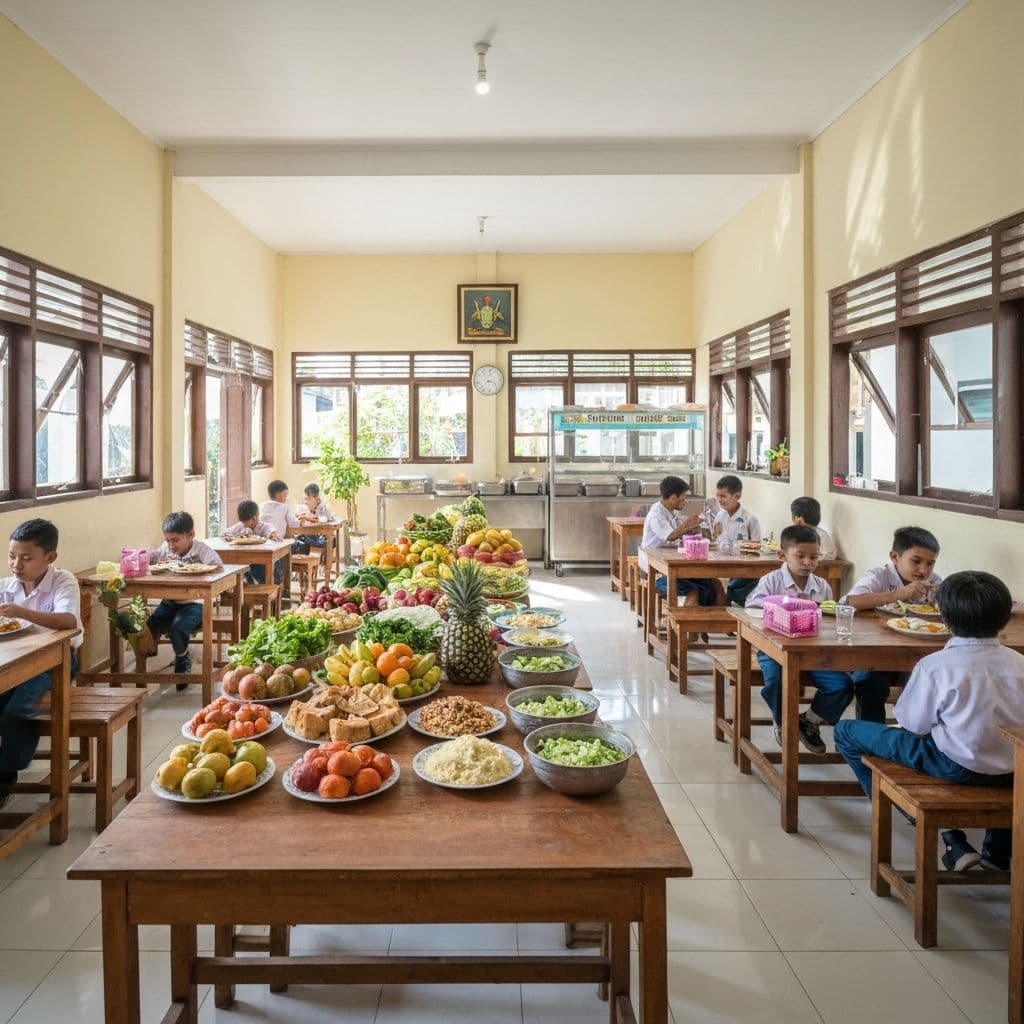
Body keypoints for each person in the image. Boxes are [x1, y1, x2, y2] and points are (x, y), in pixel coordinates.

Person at [835, 570, 1021, 873]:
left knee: (846, 732)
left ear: (943, 617)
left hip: (955, 766)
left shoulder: (936, 666)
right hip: (1015, 770)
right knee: (992, 746)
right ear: (1004, 619)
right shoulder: (1020, 664)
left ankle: (940, 829)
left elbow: (912, 725)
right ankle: (997, 853)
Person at [745, 525, 852, 753]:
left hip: (813, 652)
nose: (807, 562)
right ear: (782, 555)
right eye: (800, 556)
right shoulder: (771, 581)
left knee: (843, 685)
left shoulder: (821, 586)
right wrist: (779, 608)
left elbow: (827, 618)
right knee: (776, 681)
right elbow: (751, 607)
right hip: (774, 650)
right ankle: (782, 719)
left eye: (814, 557)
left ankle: (809, 721)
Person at [0, 519, 82, 807]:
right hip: (16, 662)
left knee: (17, 709)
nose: (16, 564)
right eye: (12, 556)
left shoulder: (63, 581)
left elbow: (68, 621)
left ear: (50, 557)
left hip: (55, 663)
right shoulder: (6, 587)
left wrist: (22, 612)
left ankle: (7, 774)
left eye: (26, 557)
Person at [843, 526, 944, 722]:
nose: (924, 570)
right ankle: (869, 737)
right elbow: (850, 601)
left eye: (930, 563)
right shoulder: (880, 575)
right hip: (876, 653)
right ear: (895, 557)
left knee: (928, 682)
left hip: (917, 656)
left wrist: (941, 603)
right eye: (916, 561)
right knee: (867, 681)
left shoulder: (934, 581)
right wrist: (900, 594)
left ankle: (910, 738)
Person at [143, 511, 223, 689]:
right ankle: (149, 652)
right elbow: (152, 557)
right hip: (169, 602)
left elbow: (218, 566)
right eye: (168, 540)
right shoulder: (166, 549)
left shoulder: (201, 550)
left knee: (177, 628)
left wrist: (200, 570)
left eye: (175, 540)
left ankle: (182, 658)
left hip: (194, 603)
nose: (171, 545)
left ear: (191, 535)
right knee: (150, 625)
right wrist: (148, 557)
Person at [637, 476, 711, 606]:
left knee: (708, 583)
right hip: (654, 564)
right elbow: (670, 536)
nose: (685, 501)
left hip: (668, 558)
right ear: (672, 497)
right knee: (693, 589)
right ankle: (684, 622)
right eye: (683, 498)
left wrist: (695, 527)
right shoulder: (656, 515)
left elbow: (680, 534)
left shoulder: (672, 512)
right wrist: (686, 525)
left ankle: (701, 621)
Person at [712, 474, 762, 606]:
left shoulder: (750, 519)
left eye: (723, 496)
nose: (719, 500)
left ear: (736, 496)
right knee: (711, 588)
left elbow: (756, 547)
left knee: (733, 590)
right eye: (717, 495)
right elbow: (716, 540)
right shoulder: (719, 516)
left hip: (743, 568)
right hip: (720, 565)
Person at [223, 499, 279, 584]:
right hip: (246, 561)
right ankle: (240, 584)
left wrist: (273, 536)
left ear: (254, 518)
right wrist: (228, 537)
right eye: (242, 522)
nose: (244, 524)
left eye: (246, 522)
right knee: (233, 563)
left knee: (260, 566)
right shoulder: (240, 526)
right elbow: (225, 533)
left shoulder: (265, 527)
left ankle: (255, 583)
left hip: (262, 562)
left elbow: (272, 533)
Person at [261, 480, 305, 555]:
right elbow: (293, 523)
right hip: (277, 543)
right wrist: (301, 522)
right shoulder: (284, 507)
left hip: (263, 542)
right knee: (302, 545)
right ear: (278, 495)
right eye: (285, 495)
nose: (286, 498)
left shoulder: (263, 505)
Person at [294, 482, 338, 554]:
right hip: (307, 538)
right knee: (293, 543)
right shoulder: (302, 508)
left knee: (330, 540)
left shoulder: (325, 509)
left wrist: (310, 518)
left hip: (321, 540)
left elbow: (332, 521)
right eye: (304, 499)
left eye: (307, 499)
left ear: (317, 498)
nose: (305, 502)